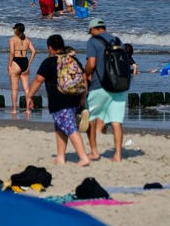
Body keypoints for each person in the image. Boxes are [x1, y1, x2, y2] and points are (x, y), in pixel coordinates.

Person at [26, 34, 90, 166]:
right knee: (60, 127)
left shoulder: (49, 62)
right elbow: (84, 78)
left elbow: (38, 80)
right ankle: (61, 157)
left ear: (50, 47)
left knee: (70, 128)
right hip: (75, 98)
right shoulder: (73, 60)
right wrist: (83, 97)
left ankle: (83, 157)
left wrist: (29, 96)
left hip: (59, 101)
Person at [85, 18, 126, 162]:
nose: (90, 34)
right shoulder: (117, 40)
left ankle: (94, 152)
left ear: (94, 29)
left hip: (99, 85)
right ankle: (118, 154)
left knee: (91, 118)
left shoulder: (93, 41)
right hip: (118, 85)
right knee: (116, 121)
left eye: (90, 31)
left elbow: (91, 63)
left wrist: (86, 73)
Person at [7, 23, 37, 113]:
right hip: (25, 62)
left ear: (16, 30)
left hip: (16, 61)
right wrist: (29, 64)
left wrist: (9, 64)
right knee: (27, 89)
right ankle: (28, 110)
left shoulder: (12, 39)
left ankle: (14, 109)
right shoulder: (27, 40)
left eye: (14, 29)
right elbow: (34, 51)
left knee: (14, 88)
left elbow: (12, 53)